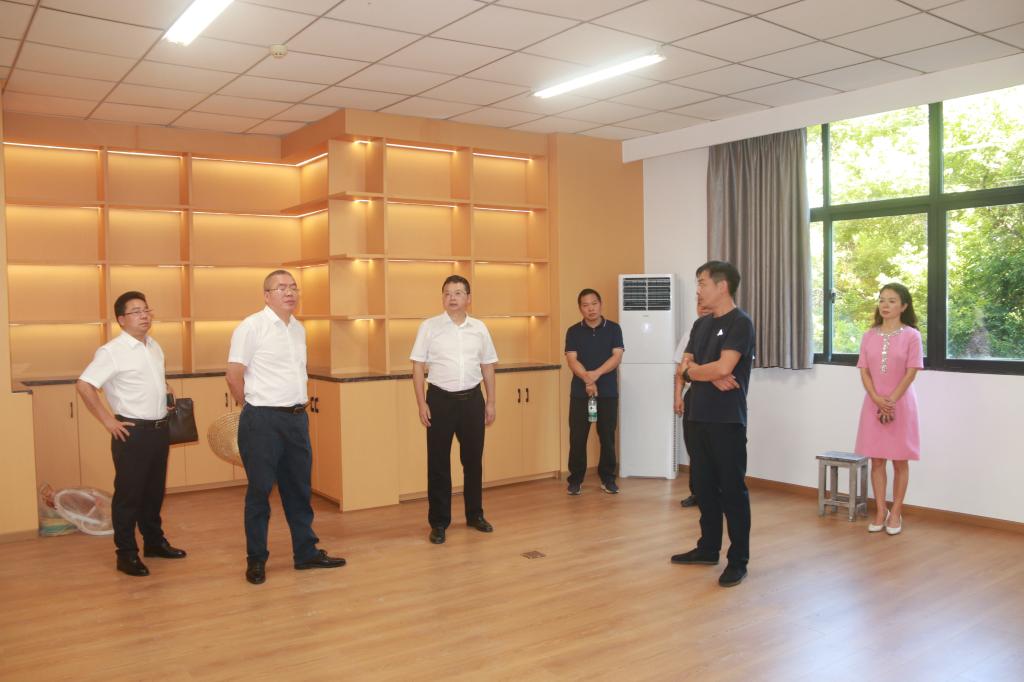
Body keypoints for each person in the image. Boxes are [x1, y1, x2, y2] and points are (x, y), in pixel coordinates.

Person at [227, 270, 345, 585]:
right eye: (281, 288)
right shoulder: (251, 327)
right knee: (260, 491)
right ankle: (256, 559)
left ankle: (305, 553)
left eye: (293, 287)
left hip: (296, 418)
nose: (289, 292)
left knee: (299, 490)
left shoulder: (298, 328)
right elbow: (233, 374)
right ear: (267, 295)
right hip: (263, 420)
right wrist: (251, 406)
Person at [77, 291, 186, 577]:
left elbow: (153, 379)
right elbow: (84, 385)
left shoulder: (153, 346)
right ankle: (125, 554)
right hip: (132, 432)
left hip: (159, 429)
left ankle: (154, 542)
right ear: (122, 319)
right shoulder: (112, 351)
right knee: (129, 495)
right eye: (136, 311)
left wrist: (166, 390)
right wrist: (107, 421)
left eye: (146, 310)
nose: (144, 315)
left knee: (153, 492)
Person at [670, 261, 755, 588]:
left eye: (702, 283)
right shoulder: (701, 324)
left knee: (732, 490)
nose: (699, 289)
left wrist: (697, 372)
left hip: (726, 418)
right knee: (704, 488)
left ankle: (738, 560)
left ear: (722, 286)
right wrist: (705, 373)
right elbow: (688, 366)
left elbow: (722, 368)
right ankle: (707, 548)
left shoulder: (740, 323)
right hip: (696, 415)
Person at [411, 275, 498, 545]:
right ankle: (439, 522)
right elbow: (417, 367)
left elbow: (487, 366)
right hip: (439, 400)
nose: (452, 297)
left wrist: (491, 401)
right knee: (438, 463)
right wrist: (422, 403)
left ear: (468, 298)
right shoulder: (429, 327)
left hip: (472, 400)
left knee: (473, 461)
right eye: (447, 293)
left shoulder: (479, 328)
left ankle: (475, 515)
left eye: (458, 293)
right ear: (443, 298)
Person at [855, 283, 923, 536]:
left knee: (900, 460)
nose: (885, 305)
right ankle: (880, 511)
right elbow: (864, 371)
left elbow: (911, 372)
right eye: (882, 300)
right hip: (873, 403)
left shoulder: (912, 335)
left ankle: (896, 512)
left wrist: (890, 401)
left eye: (892, 301)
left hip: (901, 404)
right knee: (877, 460)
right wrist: (876, 398)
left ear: (904, 306)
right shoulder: (869, 335)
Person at [564, 288, 625, 495]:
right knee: (577, 437)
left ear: (600, 304)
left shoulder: (614, 329)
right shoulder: (573, 331)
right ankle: (575, 480)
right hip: (580, 393)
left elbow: (617, 357)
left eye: (594, 303)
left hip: (607, 392)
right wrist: (587, 379)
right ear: (580, 308)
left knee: (607, 437)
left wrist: (595, 375)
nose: (590, 308)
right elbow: (572, 360)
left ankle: (608, 479)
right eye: (585, 305)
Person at [673, 302, 725, 508]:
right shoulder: (690, 332)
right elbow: (680, 369)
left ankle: (719, 492)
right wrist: (678, 397)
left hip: (719, 397)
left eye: (706, 303)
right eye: (699, 304)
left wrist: (697, 369)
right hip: (693, 395)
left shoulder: (727, 329)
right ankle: (697, 492)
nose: (702, 307)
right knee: (694, 447)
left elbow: (725, 368)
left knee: (717, 449)